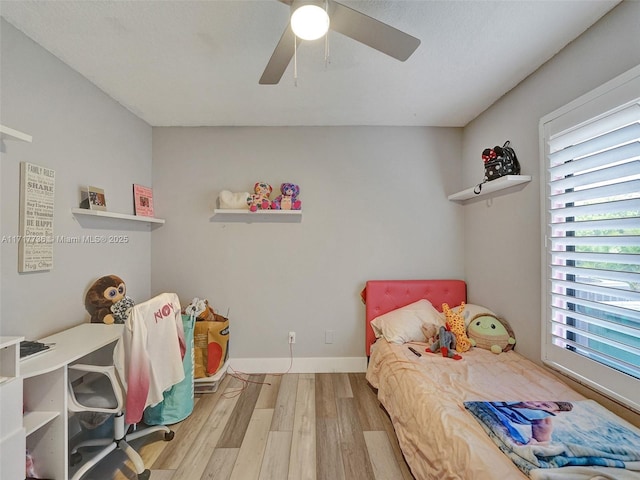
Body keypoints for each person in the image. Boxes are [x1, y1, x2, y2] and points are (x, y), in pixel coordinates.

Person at [487, 401, 573, 444]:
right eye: (539, 398)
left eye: (545, 405)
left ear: (555, 412)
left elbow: (541, 445)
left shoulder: (541, 420)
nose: (535, 402)